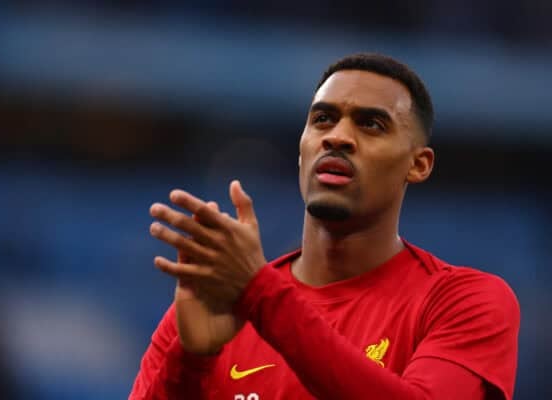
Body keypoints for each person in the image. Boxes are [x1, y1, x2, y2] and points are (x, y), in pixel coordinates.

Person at [129, 53, 520, 400]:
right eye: (323, 119)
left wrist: (262, 296)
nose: (338, 137)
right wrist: (190, 360)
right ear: (302, 150)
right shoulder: (216, 305)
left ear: (418, 164)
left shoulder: (464, 303)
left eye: (371, 124)